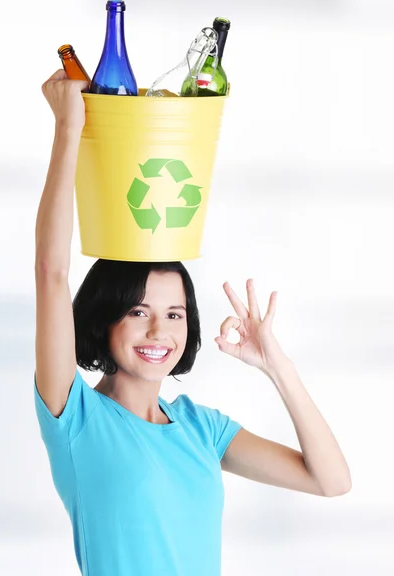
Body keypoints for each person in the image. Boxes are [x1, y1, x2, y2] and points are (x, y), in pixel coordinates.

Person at [34, 69, 352, 576]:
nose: (159, 332)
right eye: (138, 312)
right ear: (104, 320)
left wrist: (277, 366)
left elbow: (331, 481)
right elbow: (51, 272)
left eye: (174, 314)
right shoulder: (76, 420)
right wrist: (69, 127)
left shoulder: (203, 429)